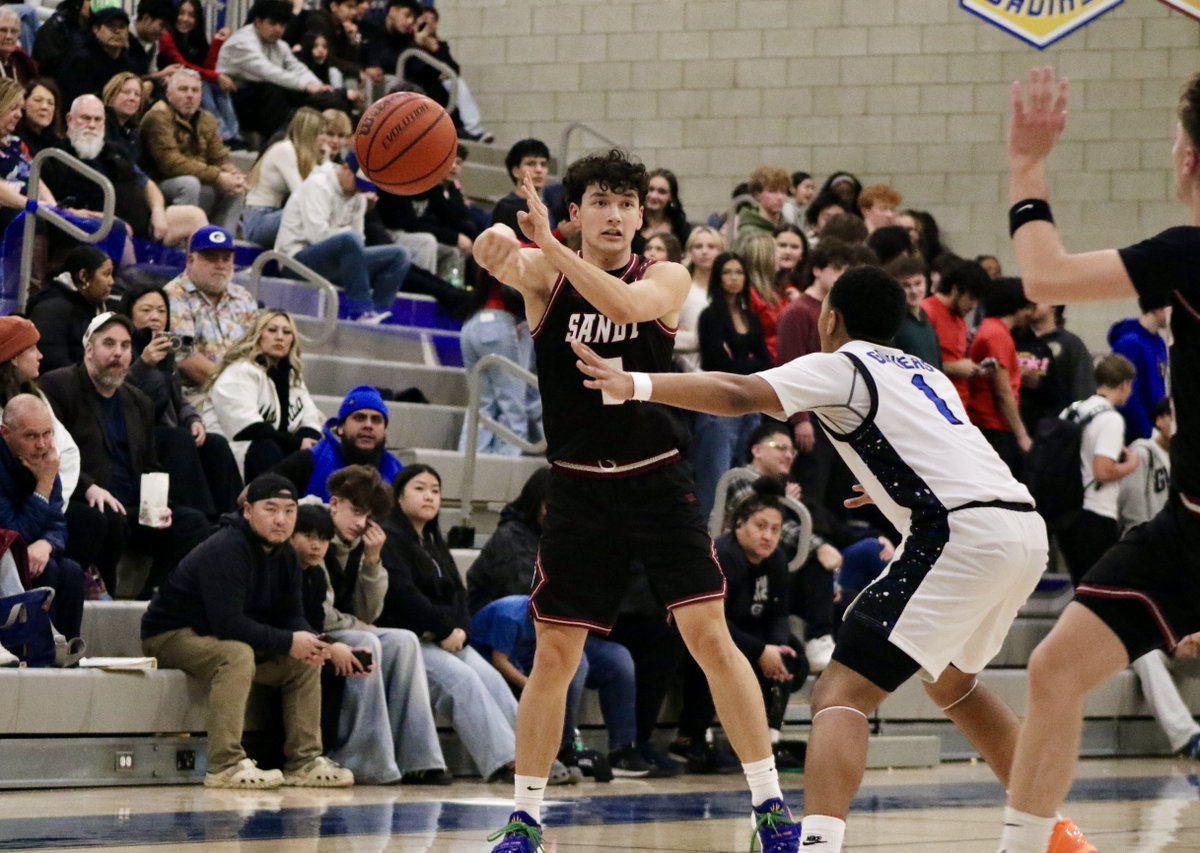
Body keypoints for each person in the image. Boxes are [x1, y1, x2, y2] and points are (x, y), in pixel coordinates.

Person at [572, 264, 1091, 853]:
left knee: (838, 694)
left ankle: (817, 846)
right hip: (1021, 528)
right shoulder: (927, 372)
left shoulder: (840, 365)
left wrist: (633, 383)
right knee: (954, 685)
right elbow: (946, 446)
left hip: (962, 532)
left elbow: (742, 394)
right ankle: (1057, 836)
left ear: (830, 317)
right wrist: (889, 482)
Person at [473, 149, 802, 852]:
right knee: (556, 653)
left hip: (656, 477)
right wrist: (497, 239)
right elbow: (493, 249)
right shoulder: (543, 278)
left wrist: (548, 248)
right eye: (601, 200)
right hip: (578, 486)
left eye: (628, 201)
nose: (617, 212)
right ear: (576, 211)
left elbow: (621, 305)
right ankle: (525, 816)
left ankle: (770, 805)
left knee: (710, 638)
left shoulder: (665, 274)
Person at [140, 473, 354, 789]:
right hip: (170, 634)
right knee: (237, 654)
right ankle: (224, 765)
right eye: (271, 509)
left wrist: (324, 645)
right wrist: (287, 640)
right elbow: (228, 625)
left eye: (289, 510)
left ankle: (304, 761)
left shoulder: (286, 556)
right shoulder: (226, 548)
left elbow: (292, 617)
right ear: (248, 511)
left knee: (304, 659)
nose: (281, 519)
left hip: (221, 635)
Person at [39, 312, 210, 598]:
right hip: (89, 499)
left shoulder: (137, 400)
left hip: (132, 506)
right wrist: (88, 486)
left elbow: (149, 462)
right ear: (89, 349)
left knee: (193, 524)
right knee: (109, 520)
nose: (118, 353)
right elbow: (50, 454)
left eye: (125, 346)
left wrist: (158, 504)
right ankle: (105, 599)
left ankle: (153, 596)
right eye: (109, 344)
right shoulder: (58, 387)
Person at [376, 464, 520, 783]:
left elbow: (458, 591)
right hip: (412, 640)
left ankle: (532, 754)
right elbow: (402, 595)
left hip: (448, 637)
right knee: (462, 681)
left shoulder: (433, 540)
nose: (429, 496)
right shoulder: (389, 537)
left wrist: (462, 630)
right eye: (420, 488)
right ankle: (507, 761)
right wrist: (444, 630)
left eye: (436, 490)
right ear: (399, 496)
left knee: (490, 677)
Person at [308, 465, 450, 785]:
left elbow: (369, 612)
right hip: (311, 627)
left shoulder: (360, 543)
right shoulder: (311, 530)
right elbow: (317, 609)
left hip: (343, 626)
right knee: (367, 644)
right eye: (356, 512)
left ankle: (419, 758)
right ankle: (361, 756)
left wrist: (372, 561)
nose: (361, 524)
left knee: (404, 641)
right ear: (333, 504)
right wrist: (355, 624)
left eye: (368, 517)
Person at [117, 283, 242, 519]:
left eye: (161, 311)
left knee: (215, 444)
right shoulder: (121, 346)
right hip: (132, 434)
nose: (155, 316)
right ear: (129, 314)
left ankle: (233, 517)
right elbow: (117, 396)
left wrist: (193, 419)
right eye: (146, 310)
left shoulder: (166, 348)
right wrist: (143, 364)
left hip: (167, 430)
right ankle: (200, 517)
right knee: (179, 439)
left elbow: (178, 396)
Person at [47, 94, 207, 248]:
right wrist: (93, 216)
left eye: (97, 119)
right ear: (69, 119)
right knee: (117, 229)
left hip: (145, 224)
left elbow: (147, 184)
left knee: (195, 216)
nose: (92, 125)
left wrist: (158, 211)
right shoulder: (56, 156)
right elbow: (51, 206)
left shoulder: (114, 150)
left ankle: (194, 274)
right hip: (98, 228)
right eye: (85, 118)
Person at [274, 151, 413, 322]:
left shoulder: (358, 196)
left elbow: (359, 241)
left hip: (336, 262)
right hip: (296, 260)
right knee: (349, 239)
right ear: (346, 169)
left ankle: (377, 313)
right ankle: (360, 311)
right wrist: (347, 233)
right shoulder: (317, 185)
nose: (359, 190)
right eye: (358, 183)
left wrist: (349, 236)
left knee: (400, 255)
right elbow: (317, 236)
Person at [691, 251, 769, 518]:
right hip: (718, 406)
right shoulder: (710, 316)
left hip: (750, 407)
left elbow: (766, 361)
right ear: (718, 277)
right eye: (727, 272)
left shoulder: (752, 318)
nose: (734, 278)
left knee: (746, 480)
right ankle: (704, 540)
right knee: (714, 479)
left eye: (739, 272)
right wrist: (748, 364)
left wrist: (740, 363)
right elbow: (716, 362)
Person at [0, 394, 85, 639]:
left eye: (47, 434)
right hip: (4, 557)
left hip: (31, 554)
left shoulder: (45, 459)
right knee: (45, 571)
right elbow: (11, 533)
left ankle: (67, 655)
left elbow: (58, 523)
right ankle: (39, 654)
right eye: (31, 436)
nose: (42, 444)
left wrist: (47, 543)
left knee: (70, 571)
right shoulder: (44, 470)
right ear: (6, 434)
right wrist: (43, 486)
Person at [204, 309, 325, 480]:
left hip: (273, 453)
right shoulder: (240, 372)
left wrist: (305, 443)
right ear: (258, 335)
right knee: (267, 448)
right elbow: (247, 428)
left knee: (314, 454)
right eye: (272, 330)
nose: (280, 337)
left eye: (287, 332)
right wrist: (297, 444)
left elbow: (311, 421)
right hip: (230, 456)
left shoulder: (292, 377)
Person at [1053, 354, 1140, 586]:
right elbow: (1102, 471)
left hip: (1067, 511)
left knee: (1081, 586)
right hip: (1096, 514)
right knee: (1098, 589)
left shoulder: (1073, 409)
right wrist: (1131, 465)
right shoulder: (1110, 419)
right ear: (1124, 384)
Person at [164, 225, 260, 411]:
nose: (220, 265)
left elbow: (259, 349)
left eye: (226, 259)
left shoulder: (244, 298)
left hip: (248, 394)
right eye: (211, 258)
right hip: (197, 396)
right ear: (191, 260)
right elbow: (185, 360)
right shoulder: (170, 296)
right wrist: (238, 388)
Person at [140, 68, 246, 233]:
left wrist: (231, 173)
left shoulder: (206, 118)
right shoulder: (158, 117)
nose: (190, 95)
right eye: (183, 89)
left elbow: (219, 156)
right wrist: (218, 176)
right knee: (189, 183)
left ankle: (220, 244)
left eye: (195, 90)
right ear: (169, 93)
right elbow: (171, 164)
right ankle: (180, 243)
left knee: (235, 188)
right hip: (157, 183)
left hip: (197, 178)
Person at [216, 0, 338, 141]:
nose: (278, 29)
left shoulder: (279, 45)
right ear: (258, 22)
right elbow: (269, 72)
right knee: (274, 89)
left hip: (260, 96)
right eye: (273, 24)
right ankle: (277, 141)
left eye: (282, 25)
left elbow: (297, 68)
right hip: (233, 101)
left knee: (325, 96)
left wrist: (319, 86)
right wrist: (306, 86)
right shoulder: (242, 42)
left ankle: (324, 140)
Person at [269, 384, 403, 502]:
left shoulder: (397, 473)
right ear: (340, 428)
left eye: (376, 420)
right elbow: (260, 495)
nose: (368, 425)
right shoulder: (308, 462)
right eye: (359, 418)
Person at [0, 317, 80, 503]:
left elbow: (68, 452)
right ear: (14, 357)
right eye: (32, 348)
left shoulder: (36, 397)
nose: (40, 356)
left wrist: (51, 499)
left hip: (46, 499)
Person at [965, 277, 1035, 477]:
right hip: (994, 426)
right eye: (1027, 307)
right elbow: (1003, 392)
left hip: (988, 424)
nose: (1030, 314)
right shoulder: (997, 335)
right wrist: (1022, 435)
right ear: (1018, 307)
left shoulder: (989, 329)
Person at [158, 0, 241, 144]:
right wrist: (217, 76)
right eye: (181, 13)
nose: (185, 19)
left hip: (193, 80)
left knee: (216, 85)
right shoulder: (166, 37)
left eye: (191, 15)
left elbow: (207, 68)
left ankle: (233, 133)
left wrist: (217, 42)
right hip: (169, 83)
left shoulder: (195, 38)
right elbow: (184, 66)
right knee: (202, 83)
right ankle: (220, 133)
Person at [241, 106, 324, 248]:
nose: (323, 139)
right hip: (258, 220)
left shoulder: (300, 154)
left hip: (273, 213)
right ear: (310, 133)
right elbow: (301, 193)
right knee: (305, 215)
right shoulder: (285, 149)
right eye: (320, 133)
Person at [26, 245, 115, 374]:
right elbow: (51, 364)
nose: (112, 282)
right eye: (106, 274)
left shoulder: (97, 306)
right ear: (83, 276)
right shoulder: (51, 309)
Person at [921, 258, 990, 404]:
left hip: (957, 402)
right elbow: (917, 362)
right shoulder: (927, 312)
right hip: (936, 401)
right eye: (971, 298)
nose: (973, 306)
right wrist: (954, 368)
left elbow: (953, 357)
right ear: (955, 290)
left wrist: (973, 369)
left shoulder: (959, 316)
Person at [1107, 294, 1170, 443]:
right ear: (1158, 309)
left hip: (1153, 427)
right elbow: (1127, 394)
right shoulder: (1129, 343)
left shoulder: (1158, 342)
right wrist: (1147, 433)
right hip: (1135, 434)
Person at [674, 226, 722, 373]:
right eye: (698, 246)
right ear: (689, 251)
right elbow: (668, 335)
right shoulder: (680, 287)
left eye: (711, 246)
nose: (704, 251)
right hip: (687, 367)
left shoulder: (727, 289)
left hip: (721, 367)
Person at [885, 255, 940, 369]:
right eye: (906, 286)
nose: (914, 291)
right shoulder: (893, 325)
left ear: (926, 282)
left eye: (918, 283)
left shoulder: (925, 319)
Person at [17, 79, 65, 157]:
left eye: (50, 103)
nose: (44, 107)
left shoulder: (59, 144)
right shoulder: (14, 141)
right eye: (38, 100)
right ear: (23, 103)